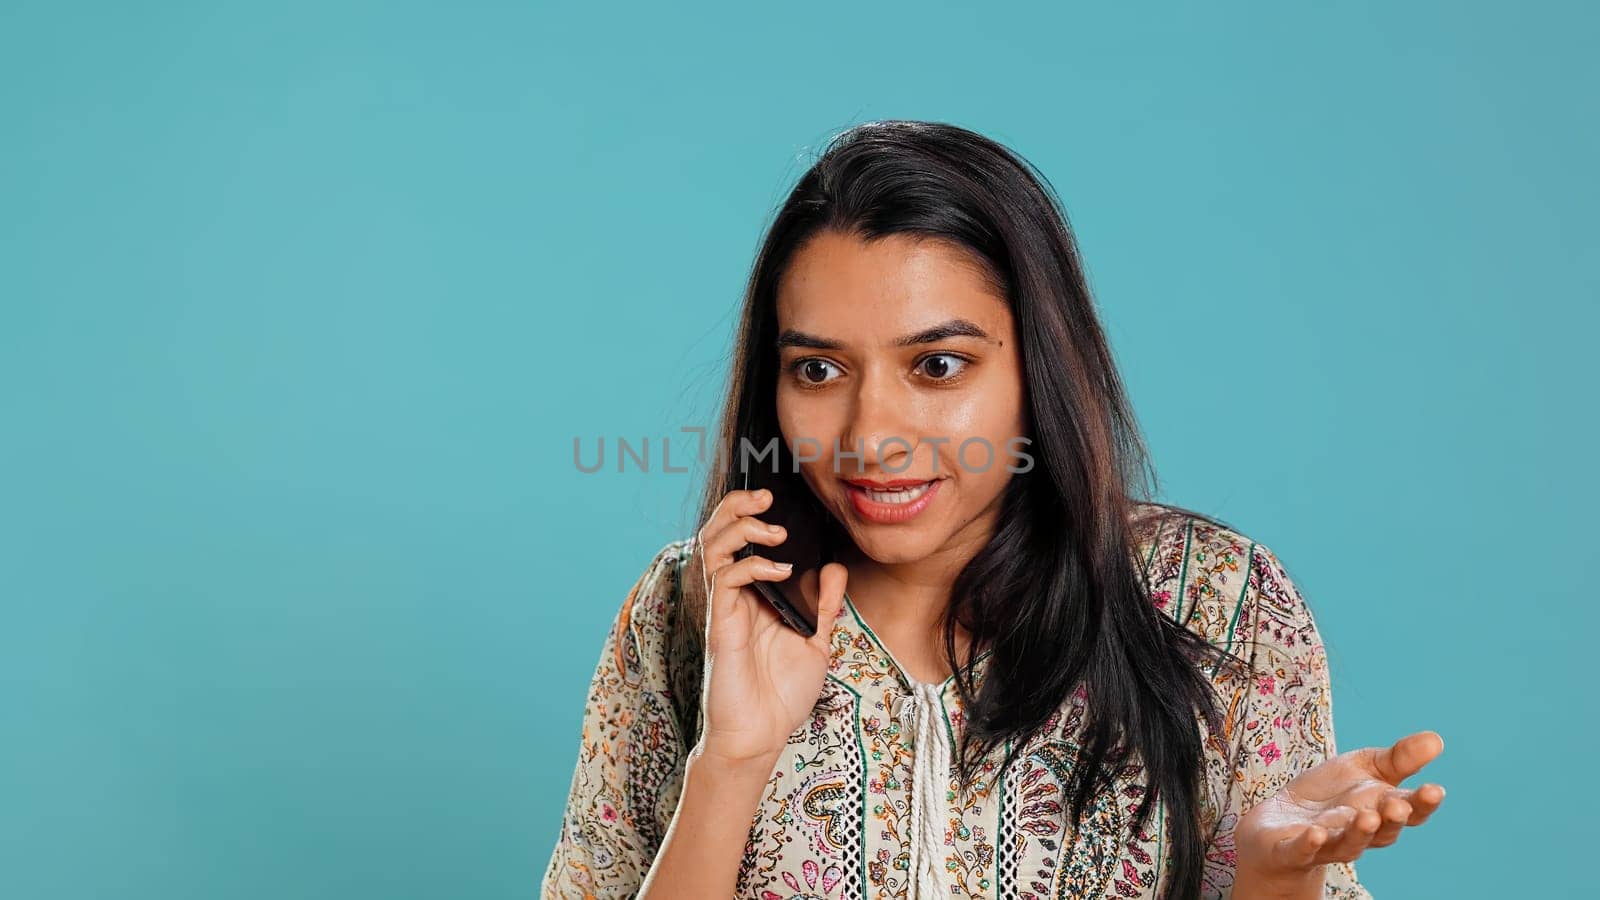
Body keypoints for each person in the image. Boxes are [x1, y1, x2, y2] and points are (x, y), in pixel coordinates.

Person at [541, 120, 1445, 899]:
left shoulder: (1212, 599)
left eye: (937, 366)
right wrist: (731, 759)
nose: (871, 436)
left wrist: (1277, 881)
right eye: (817, 369)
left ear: (1037, 369)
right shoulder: (695, 605)